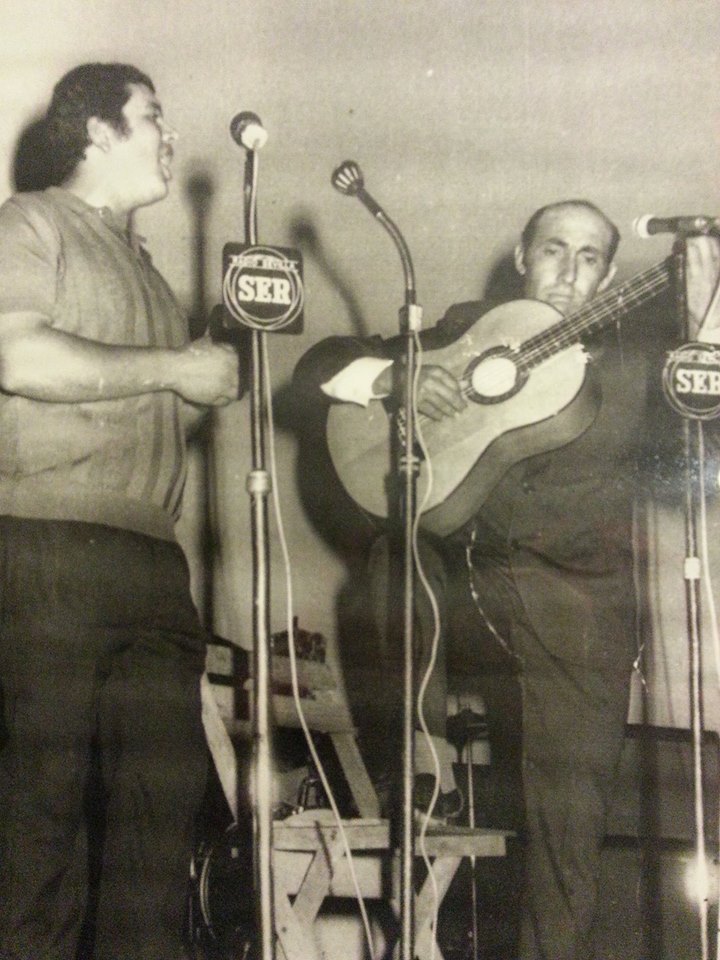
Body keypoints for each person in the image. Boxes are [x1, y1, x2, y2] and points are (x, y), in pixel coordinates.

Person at [292, 199, 720, 959]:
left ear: (609, 277)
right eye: (554, 249)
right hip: (465, 579)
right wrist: (396, 379)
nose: (568, 269)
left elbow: (706, 450)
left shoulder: (638, 362)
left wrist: (703, 334)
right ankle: (423, 769)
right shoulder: (465, 328)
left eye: (589, 257)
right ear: (521, 257)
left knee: (568, 838)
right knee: (403, 527)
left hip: (579, 606)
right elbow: (319, 364)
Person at [0, 63, 241, 960]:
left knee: (153, 834)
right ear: (96, 132)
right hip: (45, 549)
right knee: (39, 826)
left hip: (151, 566)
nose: (170, 136)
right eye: (153, 117)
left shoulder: (144, 269)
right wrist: (178, 369)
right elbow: (21, 360)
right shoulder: (29, 222)